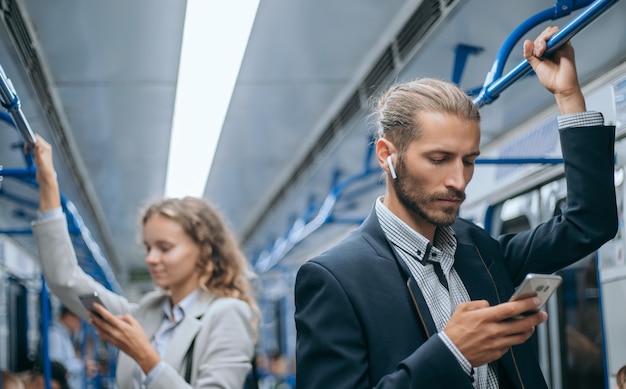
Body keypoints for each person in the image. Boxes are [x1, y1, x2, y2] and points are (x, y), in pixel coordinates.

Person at [294, 26, 618, 388]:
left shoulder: (477, 249)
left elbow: (588, 223)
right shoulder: (335, 278)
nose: (459, 180)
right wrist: (452, 352)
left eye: (469, 161)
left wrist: (568, 96)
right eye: (439, 159)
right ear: (387, 155)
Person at [29, 137, 258, 388]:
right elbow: (66, 281)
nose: (151, 258)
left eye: (165, 248)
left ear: (203, 250)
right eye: (148, 248)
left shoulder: (227, 314)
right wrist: (49, 184)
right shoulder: (149, 311)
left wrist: (145, 357)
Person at [46, 305, 98, 389]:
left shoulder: (65, 336)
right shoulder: (54, 335)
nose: (80, 325)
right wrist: (82, 366)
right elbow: (55, 368)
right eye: (79, 320)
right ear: (68, 316)